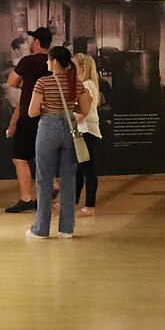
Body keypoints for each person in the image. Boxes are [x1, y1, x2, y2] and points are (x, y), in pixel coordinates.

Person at [26, 45, 92, 240]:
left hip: (48, 127)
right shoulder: (76, 83)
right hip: (69, 128)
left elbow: (32, 111)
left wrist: (46, 105)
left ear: (54, 61)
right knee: (68, 179)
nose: (47, 63)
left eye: (48, 59)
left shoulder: (43, 82)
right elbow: (84, 109)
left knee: (44, 179)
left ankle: (41, 228)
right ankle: (66, 229)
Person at [4, 27, 52, 213]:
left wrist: (26, 84)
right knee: (46, 158)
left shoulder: (28, 61)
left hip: (29, 117)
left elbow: (11, 82)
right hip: (50, 115)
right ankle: (48, 193)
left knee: (20, 157)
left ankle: (26, 197)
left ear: (37, 42)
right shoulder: (53, 61)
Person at [72, 51, 104, 217]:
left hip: (87, 131)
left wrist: (69, 123)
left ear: (82, 68)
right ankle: (73, 201)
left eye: (74, 66)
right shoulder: (87, 85)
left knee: (87, 169)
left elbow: (83, 111)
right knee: (80, 169)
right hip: (84, 130)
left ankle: (89, 205)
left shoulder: (87, 86)